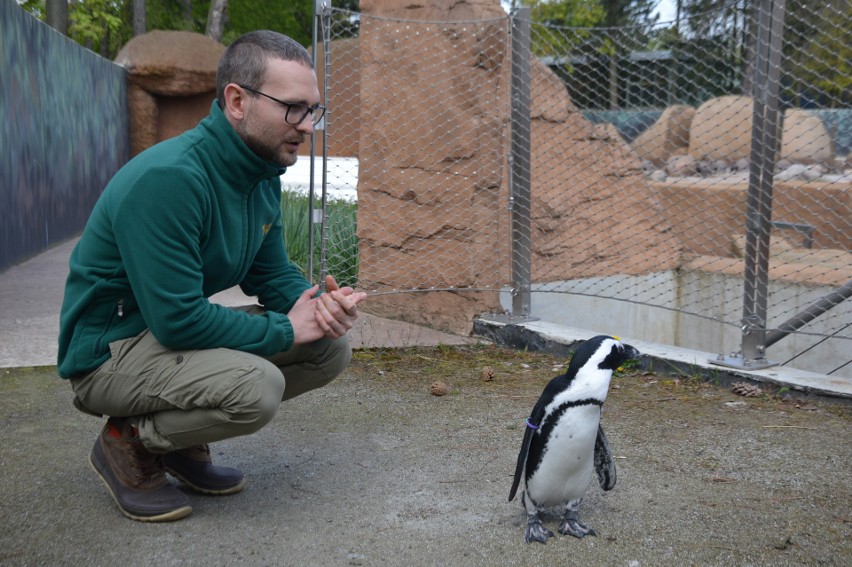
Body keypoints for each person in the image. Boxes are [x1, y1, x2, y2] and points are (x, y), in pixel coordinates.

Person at [57, 30, 366, 522]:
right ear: (237, 101)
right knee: (255, 387)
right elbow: (178, 320)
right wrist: (287, 327)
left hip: (162, 339)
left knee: (328, 346)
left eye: (313, 111)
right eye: (293, 108)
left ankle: (179, 444)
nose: (308, 126)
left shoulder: (258, 176)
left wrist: (319, 305)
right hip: (108, 354)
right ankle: (128, 442)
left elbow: (272, 274)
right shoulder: (172, 179)